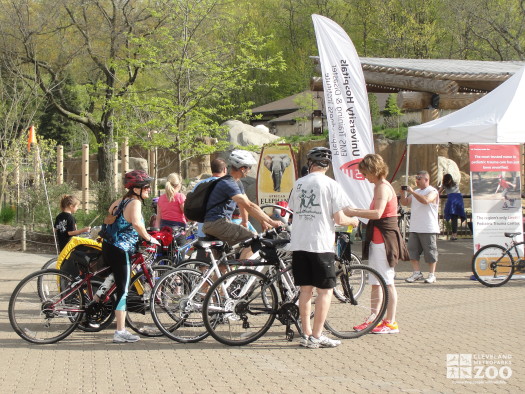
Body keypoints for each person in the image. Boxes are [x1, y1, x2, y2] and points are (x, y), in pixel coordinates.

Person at [288, 147, 359, 348]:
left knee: (305, 291)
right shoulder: (331, 184)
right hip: (320, 244)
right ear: (327, 166)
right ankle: (317, 336)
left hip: (300, 243)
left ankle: (305, 333)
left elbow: (293, 209)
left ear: (310, 163)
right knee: (325, 291)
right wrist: (353, 221)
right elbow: (339, 218)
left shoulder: (299, 183)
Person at [343, 154, 408, 334]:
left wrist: (353, 211)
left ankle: (390, 321)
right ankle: (375, 318)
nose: (365, 177)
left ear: (374, 170)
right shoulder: (380, 186)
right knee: (377, 281)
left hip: (383, 240)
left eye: (365, 173)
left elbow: (377, 213)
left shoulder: (382, 187)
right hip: (378, 239)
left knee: (386, 281)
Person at [98, 170, 161, 343]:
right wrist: (150, 239)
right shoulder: (134, 202)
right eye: (146, 186)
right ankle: (120, 331)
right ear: (136, 188)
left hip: (109, 246)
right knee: (123, 289)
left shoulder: (121, 201)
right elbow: (136, 223)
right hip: (121, 249)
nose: (149, 189)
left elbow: (109, 215)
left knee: (113, 278)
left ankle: (95, 302)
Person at [202, 150, 281, 259]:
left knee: (224, 265)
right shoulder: (228, 183)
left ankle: (225, 274)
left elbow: (244, 204)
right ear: (242, 168)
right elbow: (249, 205)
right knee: (255, 240)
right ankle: (242, 273)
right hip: (218, 224)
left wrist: (260, 221)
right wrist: (272, 222)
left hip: (213, 224)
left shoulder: (236, 182)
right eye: (249, 168)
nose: (249, 171)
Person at [400, 170, 440, 284]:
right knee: (412, 251)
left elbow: (426, 200)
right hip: (415, 227)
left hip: (428, 227)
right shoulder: (416, 191)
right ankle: (416, 272)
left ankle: (432, 274)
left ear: (426, 180)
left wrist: (412, 192)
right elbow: (405, 202)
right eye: (416, 178)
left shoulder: (433, 191)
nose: (416, 180)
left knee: (430, 252)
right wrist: (403, 193)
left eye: (419, 178)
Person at [438, 174, 466, 240]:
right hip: (459, 199)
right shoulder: (455, 184)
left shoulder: (444, 185)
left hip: (451, 200)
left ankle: (454, 235)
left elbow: (438, 192)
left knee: (453, 218)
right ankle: (455, 234)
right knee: (455, 218)